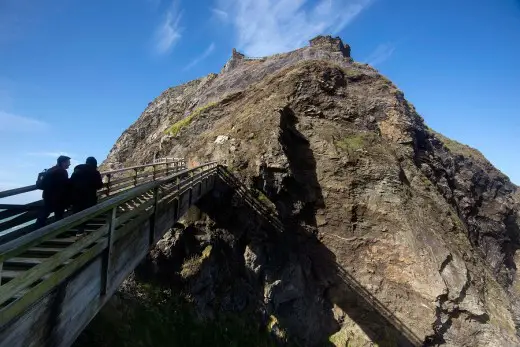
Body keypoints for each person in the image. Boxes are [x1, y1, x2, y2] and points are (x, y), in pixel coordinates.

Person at [35, 155, 71, 229]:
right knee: (59, 215)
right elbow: (64, 185)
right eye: (68, 162)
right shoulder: (62, 171)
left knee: (44, 214)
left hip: (47, 196)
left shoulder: (50, 170)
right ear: (63, 162)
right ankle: (60, 233)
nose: (69, 164)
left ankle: (36, 230)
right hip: (58, 197)